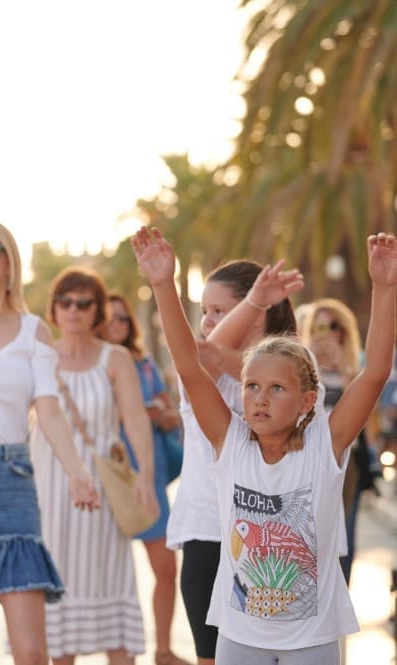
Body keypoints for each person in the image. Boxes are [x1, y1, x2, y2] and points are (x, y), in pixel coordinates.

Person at [133, 226, 397, 664]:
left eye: (277, 388)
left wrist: (385, 288)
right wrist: (163, 283)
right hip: (240, 637)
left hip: (311, 638)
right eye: (251, 386)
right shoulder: (231, 442)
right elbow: (190, 366)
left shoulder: (325, 444)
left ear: (307, 401)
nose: (259, 398)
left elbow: (374, 374)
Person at [0, 220, 99, 664]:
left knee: (31, 653)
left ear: (10, 262)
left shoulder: (34, 331)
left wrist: (77, 472)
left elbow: (49, 411)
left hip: (11, 482)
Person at [164, 257, 299, 665]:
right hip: (207, 535)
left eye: (219, 311)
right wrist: (253, 301)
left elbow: (268, 373)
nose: (207, 321)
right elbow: (202, 358)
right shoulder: (200, 377)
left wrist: (255, 301)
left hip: (272, 544)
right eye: (205, 311)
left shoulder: (295, 376)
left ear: (261, 313)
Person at [30, 265, 160, 665]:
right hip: (50, 488)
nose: (73, 310)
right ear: (54, 308)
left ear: (98, 310)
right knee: (57, 588)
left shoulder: (115, 358)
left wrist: (146, 476)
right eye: (65, 301)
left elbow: (135, 420)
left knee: (109, 578)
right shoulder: (39, 355)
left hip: (104, 487)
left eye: (84, 303)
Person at [99, 292, 190, 665]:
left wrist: (163, 415)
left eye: (123, 318)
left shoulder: (146, 363)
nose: (117, 324)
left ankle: (163, 650)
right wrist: (130, 411)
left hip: (149, 475)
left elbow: (171, 411)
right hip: (112, 475)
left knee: (166, 568)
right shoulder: (94, 361)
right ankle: (122, 655)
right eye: (110, 318)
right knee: (115, 576)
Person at [297, 298, 376, 585]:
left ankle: (339, 598)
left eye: (333, 326)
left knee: (345, 534)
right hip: (307, 461)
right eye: (318, 326)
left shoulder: (356, 370)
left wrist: (344, 372)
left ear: (344, 330)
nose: (327, 333)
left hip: (347, 462)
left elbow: (364, 419)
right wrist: (312, 364)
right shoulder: (300, 368)